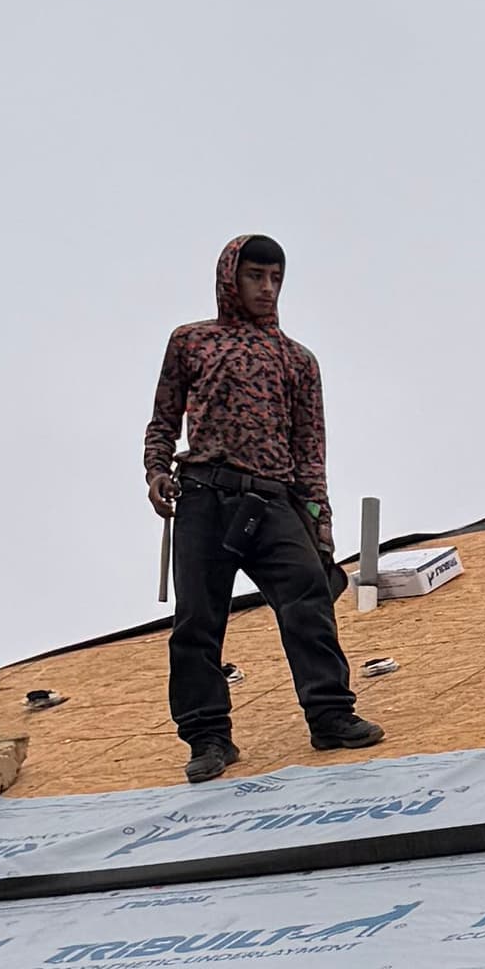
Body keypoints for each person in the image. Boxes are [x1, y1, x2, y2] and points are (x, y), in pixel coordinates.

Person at [143, 234, 383, 783]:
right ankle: (207, 737)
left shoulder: (297, 360)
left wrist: (321, 525)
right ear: (231, 277)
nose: (267, 288)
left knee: (308, 600)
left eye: (275, 278)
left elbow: (310, 447)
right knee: (198, 620)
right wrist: (156, 472)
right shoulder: (191, 342)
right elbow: (162, 421)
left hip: (275, 499)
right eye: (255, 276)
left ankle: (330, 715)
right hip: (204, 494)